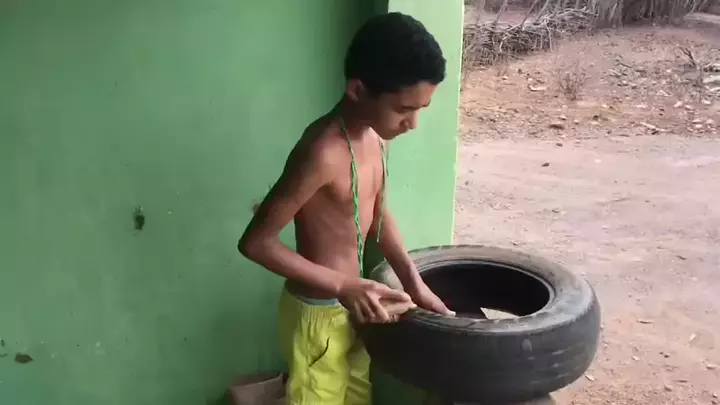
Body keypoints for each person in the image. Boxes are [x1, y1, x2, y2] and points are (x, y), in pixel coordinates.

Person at [238, 11, 455, 405]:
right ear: (357, 90)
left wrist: (414, 283)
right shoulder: (322, 152)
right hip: (318, 313)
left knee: (356, 397)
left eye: (420, 110)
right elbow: (256, 243)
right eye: (404, 109)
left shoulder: (376, 139)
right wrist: (343, 286)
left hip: (359, 307)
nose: (412, 124)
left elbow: (379, 215)